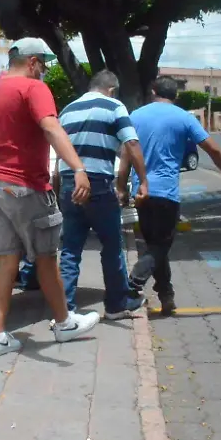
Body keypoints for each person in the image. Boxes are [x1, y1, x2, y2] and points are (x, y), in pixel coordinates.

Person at [0, 38, 100, 358]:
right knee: (46, 257)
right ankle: (64, 324)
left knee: (6, 262)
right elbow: (50, 127)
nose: (44, 71)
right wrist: (79, 168)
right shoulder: (33, 89)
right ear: (32, 62)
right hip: (25, 186)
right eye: (43, 64)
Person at [118, 77, 221, 315]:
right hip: (166, 193)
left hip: (141, 192)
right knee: (161, 246)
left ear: (153, 92)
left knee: (156, 245)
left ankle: (166, 296)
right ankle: (132, 283)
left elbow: (125, 156)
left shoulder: (135, 116)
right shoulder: (183, 117)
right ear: (176, 96)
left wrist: (121, 186)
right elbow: (213, 148)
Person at [56, 70, 148, 318]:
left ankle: (65, 311)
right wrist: (143, 181)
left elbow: (58, 153)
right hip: (97, 183)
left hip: (69, 183)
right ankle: (116, 304)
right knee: (112, 245)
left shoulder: (67, 110)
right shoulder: (114, 106)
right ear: (111, 89)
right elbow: (131, 143)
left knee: (70, 249)